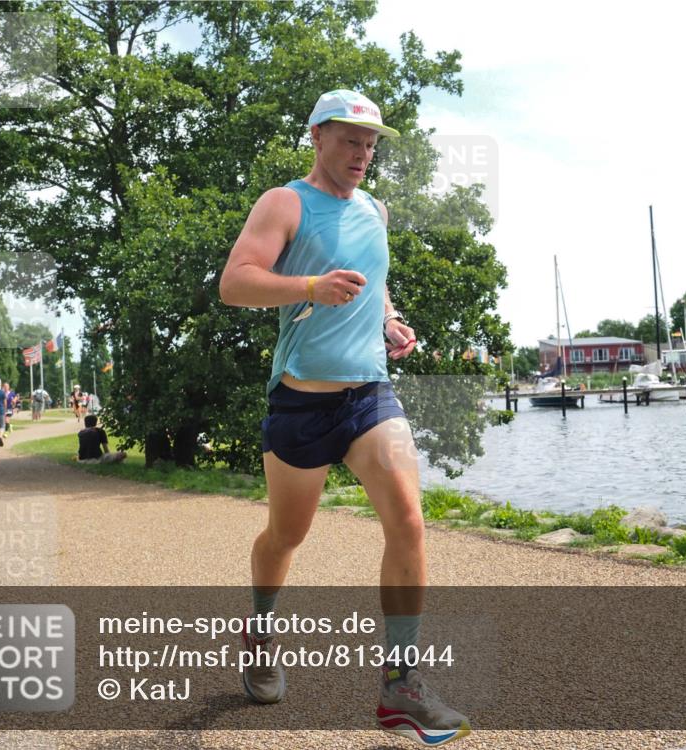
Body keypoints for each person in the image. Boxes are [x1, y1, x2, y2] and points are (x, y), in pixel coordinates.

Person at [219, 89, 468, 746]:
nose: (362, 154)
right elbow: (235, 282)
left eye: (371, 143)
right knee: (285, 536)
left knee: (409, 521)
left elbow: (371, 275)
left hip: (368, 396)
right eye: (350, 141)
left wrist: (386, 318)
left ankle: (401, 687)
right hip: (300, 403)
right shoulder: (285, 203)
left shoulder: (375, 210)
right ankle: (262, 626)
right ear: (317, 137)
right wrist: (309, 286)